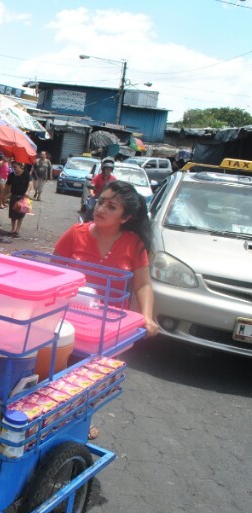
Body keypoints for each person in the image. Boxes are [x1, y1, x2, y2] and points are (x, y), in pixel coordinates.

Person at [54, 180, 158, 440]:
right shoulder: (75, 233)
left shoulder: (135, 244)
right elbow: (51, 273)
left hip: (108, 328)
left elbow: (143, 284)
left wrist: (146, 316)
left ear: (126, 217)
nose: (101, 208)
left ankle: (81, 419)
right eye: (100, 201)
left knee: (91, 378)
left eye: (111, 206)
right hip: (68, 319)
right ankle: (57, 419)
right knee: (59, 371)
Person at [4, 161, 33, 237]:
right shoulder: (11, 175)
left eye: (16, 167)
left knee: (21, 214)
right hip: (14, 195)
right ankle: (13, 228)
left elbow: (30, 183)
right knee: (13, 213)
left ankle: (17, 230)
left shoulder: (26, 174)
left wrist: (27, 191)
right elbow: (7, 185)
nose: (15, 169)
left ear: (21, 166)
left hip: (23, 196)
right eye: (13, 167)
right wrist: (4, 195)